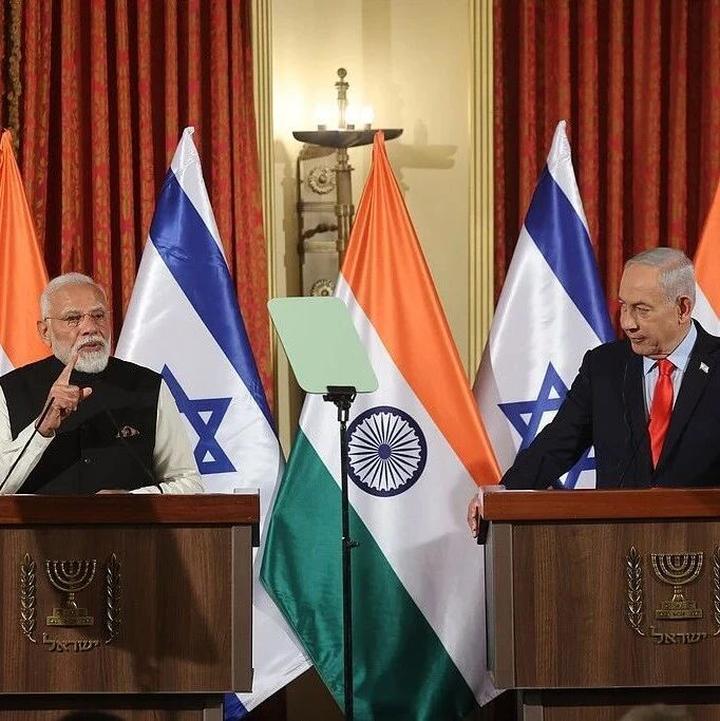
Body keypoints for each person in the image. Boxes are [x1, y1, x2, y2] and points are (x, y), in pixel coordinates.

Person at [469, 247, 720, 535]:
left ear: (683, 308)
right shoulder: (603, 367)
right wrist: (502, 495)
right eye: (624, 306)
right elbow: (557, 445)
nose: (627, 323)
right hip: (617, 544)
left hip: (704, 542)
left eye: (642, 309)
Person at [0, 273, 203, 494]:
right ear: (45, 332)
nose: (90, 328)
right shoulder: (9, 390)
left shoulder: (148, 386)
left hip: (130, 519)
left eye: (98, 316)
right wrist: (42, 428)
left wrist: (134, 501)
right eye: (73, 318)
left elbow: (188, 483)